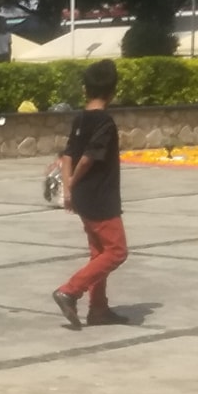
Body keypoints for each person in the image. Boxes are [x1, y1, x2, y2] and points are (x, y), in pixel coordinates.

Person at [51, 60, 128, 329]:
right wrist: (72, 181)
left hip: (84, 196)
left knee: (99, 253)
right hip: (100, 196)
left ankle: (98, 309)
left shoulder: (80, 118)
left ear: (86, 89)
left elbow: (68, 154)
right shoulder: (105, 122)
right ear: (112, 90)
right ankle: (70, 291)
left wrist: (69, 188)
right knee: (117, 251)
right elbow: (87, 158)